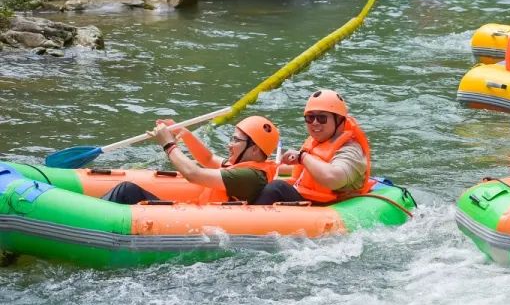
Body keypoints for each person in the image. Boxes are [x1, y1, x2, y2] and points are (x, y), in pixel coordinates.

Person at [103, 116, 279, 205]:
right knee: (127, 191)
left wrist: (168, 144)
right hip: (198, 214)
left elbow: (193, 174)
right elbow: (208, 158)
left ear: (254, 149)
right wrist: (183, 132)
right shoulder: (243, 165)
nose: (229, 144)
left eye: (235, 140)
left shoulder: (250, 176)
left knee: (126, 191)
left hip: (195, 224)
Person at [257, 89, 372, 205]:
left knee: (277, 188)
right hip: (309, 201)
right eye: (310, 118)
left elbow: (333, 178)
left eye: (322, 118)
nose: (315, 123)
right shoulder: (314, 143)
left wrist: (302, 157)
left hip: (331, 206)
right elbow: (295, 173)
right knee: (270, 185)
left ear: (340, 121)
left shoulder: (351, 149)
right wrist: (284, 168)